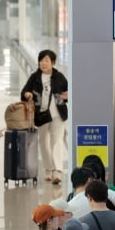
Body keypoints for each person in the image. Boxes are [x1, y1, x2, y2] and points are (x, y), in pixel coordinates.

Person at [20, 50, 69, 185]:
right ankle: (48, 169)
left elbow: (68, 93)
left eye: (47, 60)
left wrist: (66, 96)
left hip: (57, 114)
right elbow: (24, 92)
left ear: (53, 62)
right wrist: (27, 94)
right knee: (43, 142)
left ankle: (57, 170)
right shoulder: (35, 77)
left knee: (57, 141)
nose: (43, 63)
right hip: (40, 116)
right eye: (41, 60)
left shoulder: (59, 77)